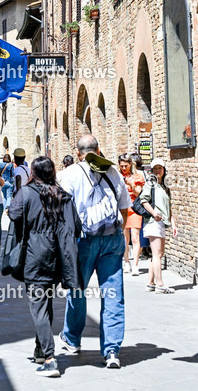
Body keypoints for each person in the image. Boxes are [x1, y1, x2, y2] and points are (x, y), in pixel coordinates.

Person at [57, 134, 129, 369]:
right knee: (113, 294)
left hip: (83, 240)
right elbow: (124, 208)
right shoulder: (113, 172)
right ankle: (111, 351)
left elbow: (63, 213)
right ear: (98, 150)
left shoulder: (68, 174)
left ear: (77, 153)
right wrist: (120, 236)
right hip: (112, 238)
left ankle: (72, 339)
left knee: (77, 289)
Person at [7, 156, 81, 378]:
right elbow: (75, 225)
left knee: (38, 307)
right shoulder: (63, 195)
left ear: (34, 172)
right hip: (57, 256)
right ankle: (40, 350)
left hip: (35, 255)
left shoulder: (27, 192)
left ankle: (49, 359)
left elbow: (13, 213)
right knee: (46, 303)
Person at [137, 160, 176, 294]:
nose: (157, 171)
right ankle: (160, 284)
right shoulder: (151, 183)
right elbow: (143, 200)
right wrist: (154, 214)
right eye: (155, 168)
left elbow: (169, 208)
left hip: (161, 222)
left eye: (160, 168)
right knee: (157, 254)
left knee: (158, 254)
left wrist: (173, 223)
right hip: (153, 222)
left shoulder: (164, 187)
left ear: (164, 169)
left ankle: (151, 282)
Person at [119, 154, 145, 276]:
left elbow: (139, 193)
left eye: (126, 166)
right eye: (122, 166)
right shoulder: (117, 176)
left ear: (130, 164)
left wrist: (131, 184)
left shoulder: (137, 176)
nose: (124, 168)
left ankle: (135, 265)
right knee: (125, 238)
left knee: (135, 237)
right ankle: (127, 262)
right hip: (122, 208)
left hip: (134, 208)